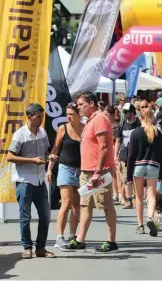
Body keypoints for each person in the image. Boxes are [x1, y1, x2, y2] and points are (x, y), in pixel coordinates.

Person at [68, 92, 118, 253]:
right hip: (87, 171)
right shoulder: (90, 120)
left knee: (106, 205)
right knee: (85, 205)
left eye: (81, 104)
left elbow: (103, 147)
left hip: (99, 172)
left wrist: (98, 171)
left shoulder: (100, 119)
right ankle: (80, 239)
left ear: (91, 104)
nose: (78, 107)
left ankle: (111, 241)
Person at [7, 103, 55, 259]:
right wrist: (31, 160)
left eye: (42, 116)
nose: (41, 119)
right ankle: (27, 247)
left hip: (40, 181)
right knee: (25, 216)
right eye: (38, 116)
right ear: (29, 116)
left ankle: (40, 248)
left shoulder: (42, 132)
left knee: (46, 216)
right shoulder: (19, 135)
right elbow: (10, 156)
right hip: (24, 181)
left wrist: (50, 157)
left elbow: (46, 153)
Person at [46, 102, 84, 250]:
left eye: (71, 114)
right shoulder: (63, 128)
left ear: (78, 114)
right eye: (67, 114)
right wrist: (49, 169)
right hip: (65, 168)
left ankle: (72, 236)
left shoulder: (85, 129)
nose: (68, 117)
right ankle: (59, 237)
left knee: (76, 205)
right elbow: (55, 150)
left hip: (81, 170)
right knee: (66, 202)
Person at [127, 108, 162, 236]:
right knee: (151, 195)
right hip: (153, 165)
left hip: (138, 166)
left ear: (140, 118)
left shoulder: (135, 133)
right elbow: (161, 154)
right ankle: (150, 218)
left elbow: (131, 155)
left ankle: (140, 225)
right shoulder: (157, 132)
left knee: (138, 196)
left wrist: (128, 175)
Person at [115, 103, 141, 209]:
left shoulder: (139, 124)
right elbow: (118, 140)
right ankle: (129, 200)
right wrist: (116, 155)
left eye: (126, 112)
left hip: (137, 154)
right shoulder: (121, 125)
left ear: (132, 112)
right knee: (126, 178)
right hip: (124, 155)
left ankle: (136, 198)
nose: (124, 114)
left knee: (136, 177)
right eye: (123, 112)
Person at [104, 106, 121, 203]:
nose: (105, 116)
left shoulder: (116, 126)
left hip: (114, 150)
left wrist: (116, 153)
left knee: (116, 174)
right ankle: (114, 192)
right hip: (107, 150)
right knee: (110, 174)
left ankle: (118, 193)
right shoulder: (105, 124)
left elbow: (117, 141)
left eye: (106, 114)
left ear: (111, 115)